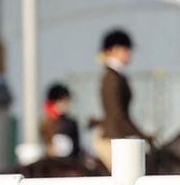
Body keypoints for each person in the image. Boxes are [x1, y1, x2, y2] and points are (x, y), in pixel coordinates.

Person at [89, 28, 154, 170]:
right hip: (113, 137)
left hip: (118, 134)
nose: (129, 54)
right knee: (127, 175)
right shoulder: (112, 78)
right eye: (126, 49)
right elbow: (117, 115)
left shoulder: (117, 76)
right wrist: (141, 135)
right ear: (114, 50)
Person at [40, 83, 81, 159]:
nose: (67, 104)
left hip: (70, 162)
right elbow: (46, 145)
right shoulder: (46, 123)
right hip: (53, 162)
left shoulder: (71, 123)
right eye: (63, 101)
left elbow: (77, 148)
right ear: (54, 102)